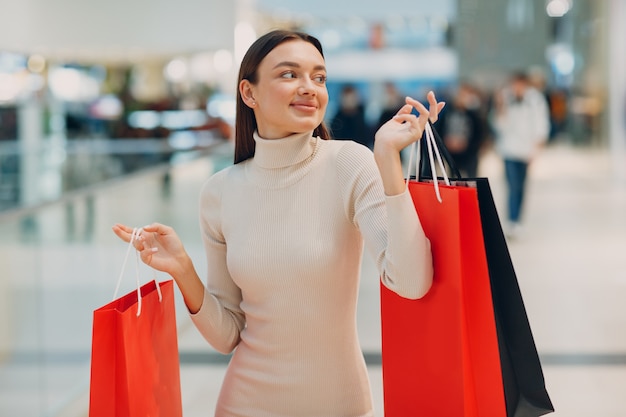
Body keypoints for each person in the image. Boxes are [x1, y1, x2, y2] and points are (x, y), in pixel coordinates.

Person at [113, 29, 444, 417]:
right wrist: (184, 270)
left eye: (318, 77)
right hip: (243, 405)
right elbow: (227, 335)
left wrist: (388, 158)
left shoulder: (350, 163)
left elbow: (411, 282)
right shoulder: (219, 192)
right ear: (248, 93)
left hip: (340, 407)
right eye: (289, 75)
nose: (309, 88)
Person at [492, 71, 550, 238]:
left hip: (526, 150)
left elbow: (541, 124)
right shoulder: (505, 98)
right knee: (512, 185)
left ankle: (517, 220)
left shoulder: (535, 99)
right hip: (508, 149)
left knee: (521, 186)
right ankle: (511, 220)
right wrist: (500, 108)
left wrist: (537, 147)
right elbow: (499, 126)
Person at [437, 82, 485, 178]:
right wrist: (447, 143)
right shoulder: (447, 112)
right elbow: (439, 130)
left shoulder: (474, 114)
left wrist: (467, 145)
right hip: (452, 153)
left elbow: (480, 133)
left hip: (469, 154)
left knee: (472, 179)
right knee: (453, 179)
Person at [330, 84, 371, 148]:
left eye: (352, 98)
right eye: (347, 98)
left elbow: (366, 139)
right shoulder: (337, 121)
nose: (349, 101)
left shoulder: (361, 119)